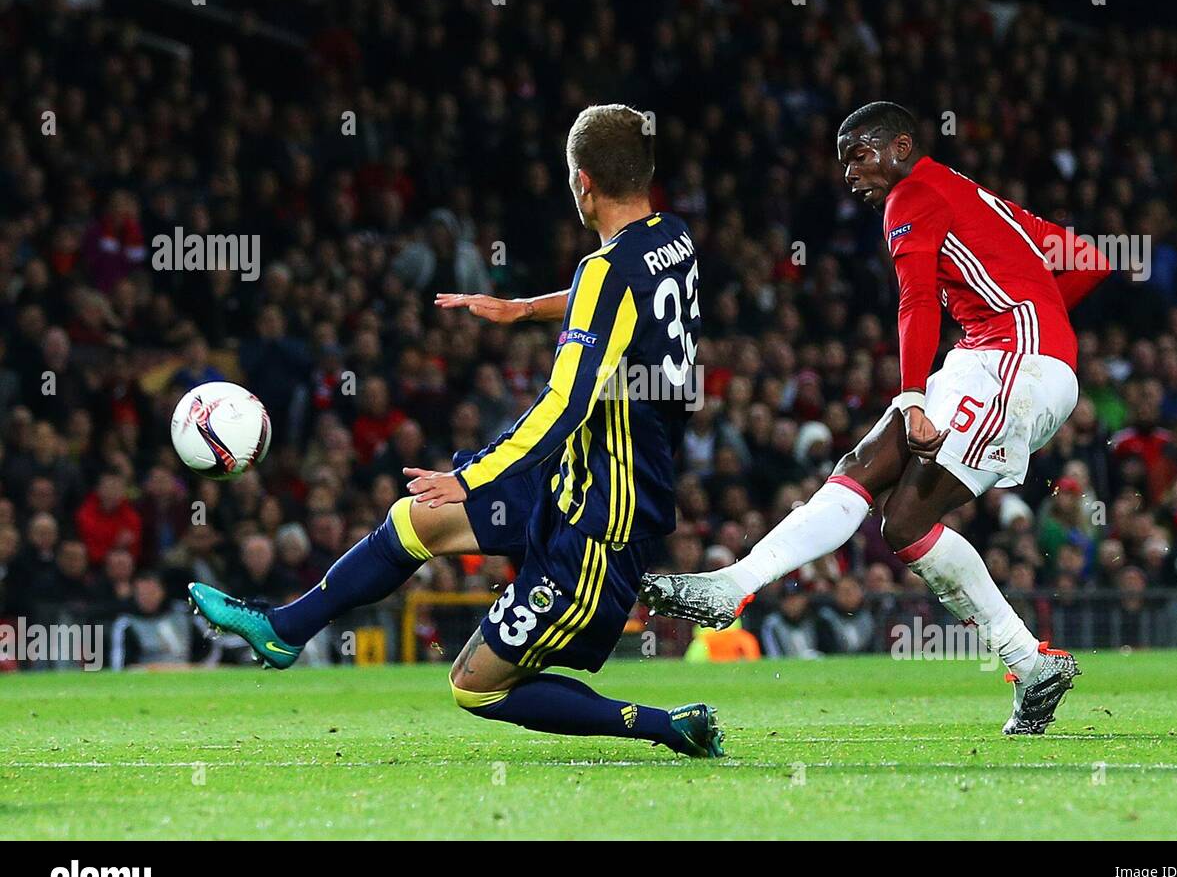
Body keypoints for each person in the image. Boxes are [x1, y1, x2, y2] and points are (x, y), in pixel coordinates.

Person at [188, 104, 723, 757]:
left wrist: (469, 474)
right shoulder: (675, 237)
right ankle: (283, 627)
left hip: (603, 518)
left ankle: (667, 725)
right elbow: (618, 293)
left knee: (476, 685)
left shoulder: (605, 273)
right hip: (581, 477)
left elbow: (564, 406)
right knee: (420, 518)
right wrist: (526, 308)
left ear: (582, 183)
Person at [642, 101, 1111, 735]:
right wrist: (1043, 314)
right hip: (996, 355)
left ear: (899, 146)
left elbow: (916, 298)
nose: (850, 173)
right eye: (842, 163)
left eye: (859, 156)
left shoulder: (912, 194)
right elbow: (1090, 258)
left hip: (1010, 356)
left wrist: (918, 393)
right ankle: (733, 586)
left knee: (907, 519)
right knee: (861, 470)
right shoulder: (968, 195)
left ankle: (1028, 661)